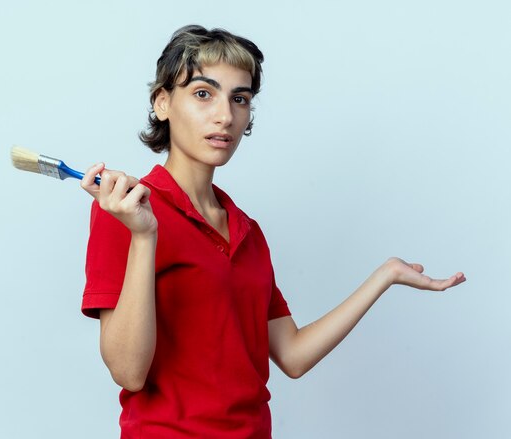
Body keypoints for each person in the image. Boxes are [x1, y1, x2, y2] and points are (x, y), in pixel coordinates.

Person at [79, 25, 466, 438]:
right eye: (203, 93)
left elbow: (293, 355)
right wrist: (144, 237)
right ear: (162, 103)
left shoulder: (247, 232)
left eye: (239, 98)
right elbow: (128, 372)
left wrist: (385, 275)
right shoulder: (125, 210)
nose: (225, 115)